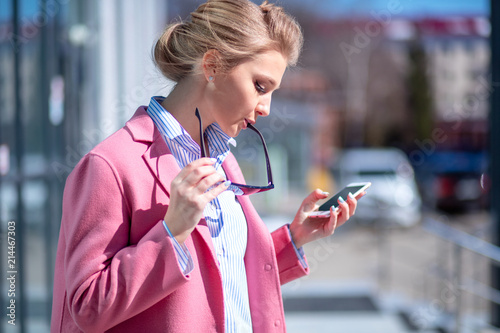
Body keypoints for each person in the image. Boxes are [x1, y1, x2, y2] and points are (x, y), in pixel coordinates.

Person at [50, 0, 363, 332]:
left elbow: (221, 276)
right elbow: (87, 307)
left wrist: (295, 238)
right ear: (212, 66)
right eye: (260, 86)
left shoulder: (224, 162)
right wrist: (171, 232)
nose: (266, 108)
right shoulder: (109, 165)